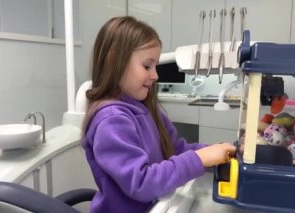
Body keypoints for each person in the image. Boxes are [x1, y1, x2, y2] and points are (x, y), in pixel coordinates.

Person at [82, 16, 236, 213]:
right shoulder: (112, 121)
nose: (155, 75)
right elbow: (142, 183)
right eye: (147, 66)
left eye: (155, 66)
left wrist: (219, 153)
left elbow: (176, 149)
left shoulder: (146, 109)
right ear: (114, 62)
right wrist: (199, 159)